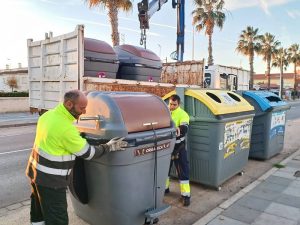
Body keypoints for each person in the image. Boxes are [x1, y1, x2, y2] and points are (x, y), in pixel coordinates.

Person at [26, 90, 127, 225]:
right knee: (57, 219)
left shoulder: (47, 116)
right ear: (69, 104)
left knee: (39, 212)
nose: (84, 112)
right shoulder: (66, 129)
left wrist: (77, 139)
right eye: (82, 108)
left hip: (35, 173)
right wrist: (109, 147)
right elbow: (88, 153)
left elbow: (55, 141)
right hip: (52, 182)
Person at [165, 94, 191, 206]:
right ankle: (164, 189)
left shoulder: (183, 114)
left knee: (183, 171)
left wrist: (177, 129)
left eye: (174, 105)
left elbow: (184, 129)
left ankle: (186, 196)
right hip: (166, 148)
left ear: (178, 104)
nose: (172, 106)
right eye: (170, 104)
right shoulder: (165, 112)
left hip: (178, 148)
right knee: (164, 170)